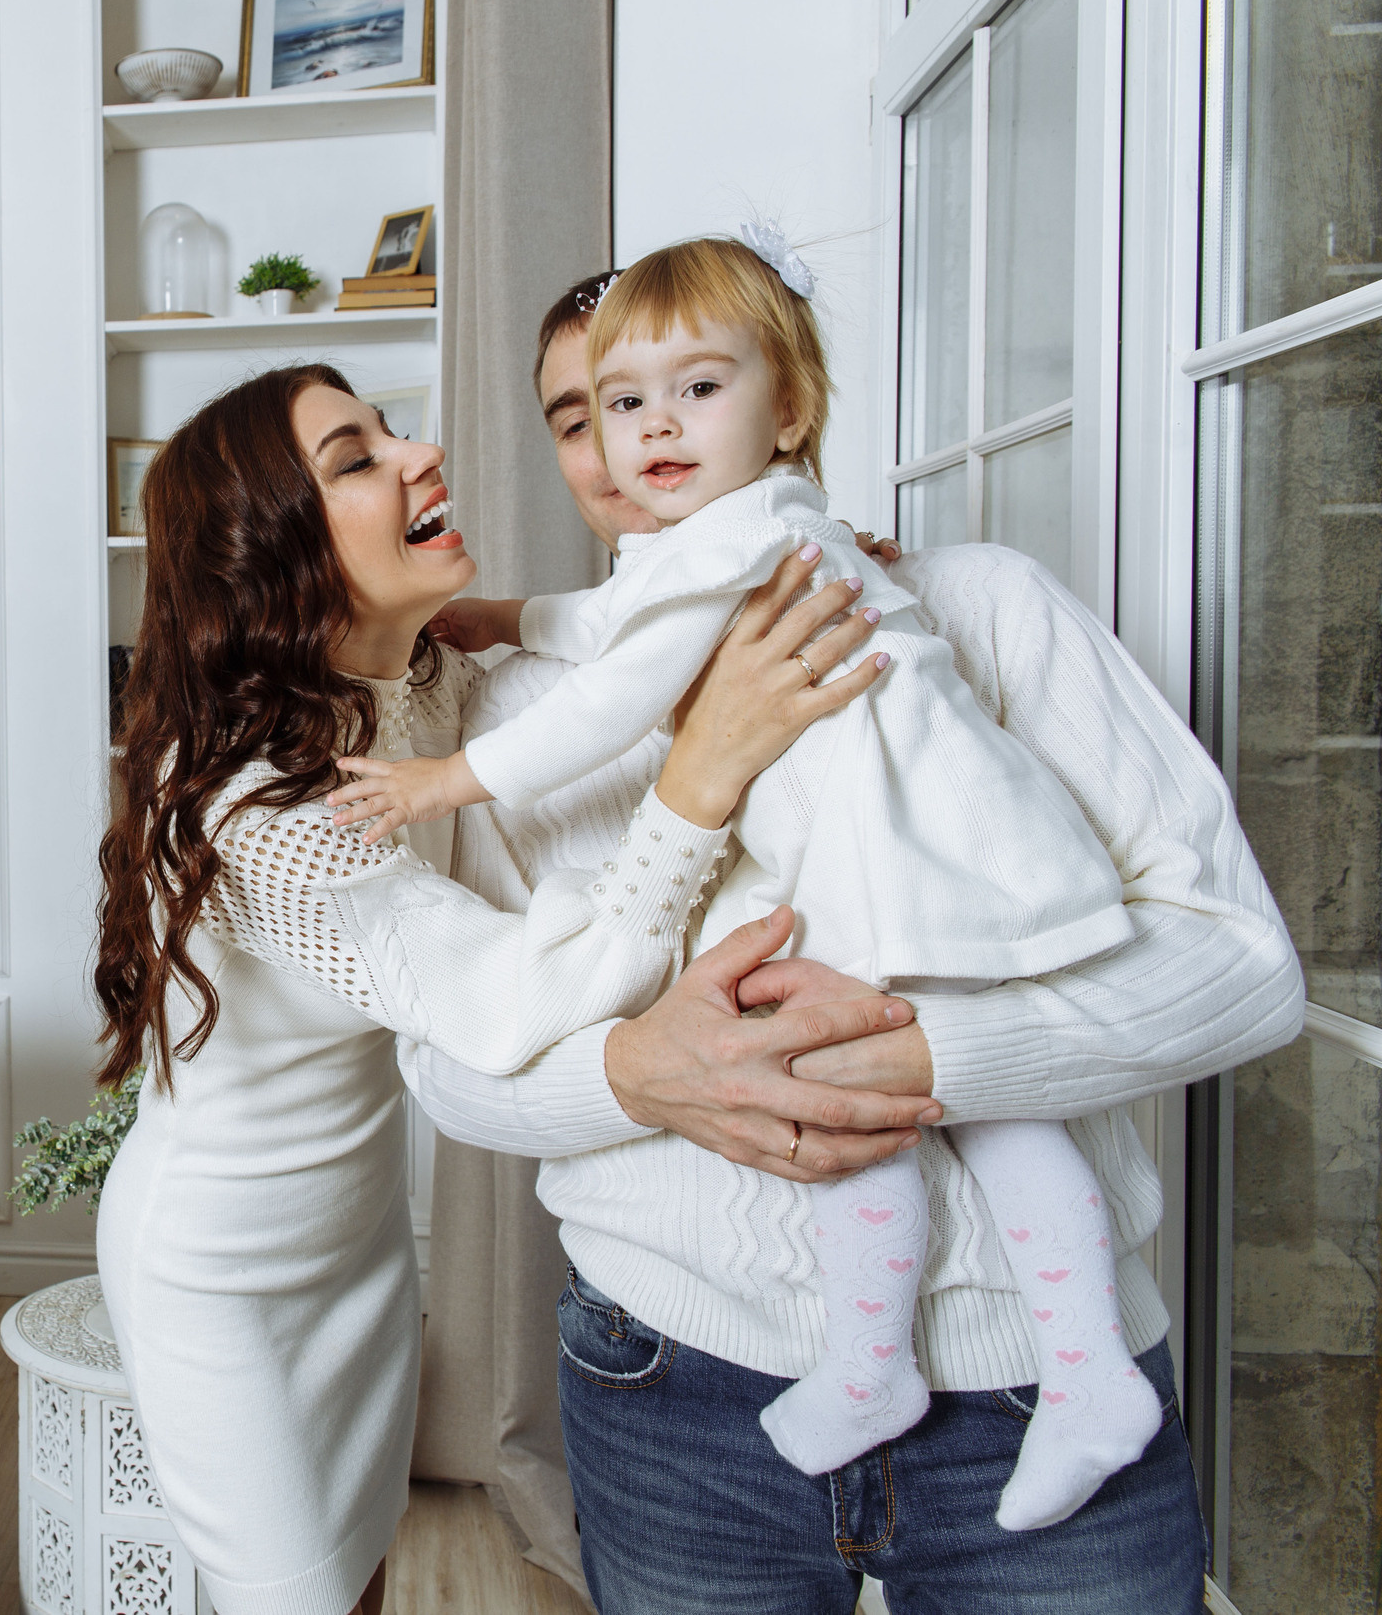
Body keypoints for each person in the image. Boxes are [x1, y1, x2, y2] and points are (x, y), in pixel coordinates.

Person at [390, 267, 1305, 1611]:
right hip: (676, 1388)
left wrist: (925, 1052)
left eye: (691, 389)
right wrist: (643, 1074)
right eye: (584, 413)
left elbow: (1247, 971)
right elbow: (452, 1067)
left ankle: (1078, 1375)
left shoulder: (975, 605)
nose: (637, 439)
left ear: (781, 403)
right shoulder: (512, 704)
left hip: (1026, 1374)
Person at [89, 363, 927, 1615]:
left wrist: (786, 561)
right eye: (356, 459)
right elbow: (510, 1000)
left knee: (357, 1572)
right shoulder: (263, 809)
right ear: (273, 545)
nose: (420, 453)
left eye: (387, 430)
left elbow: (620, 665)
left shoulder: (422, 685)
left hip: (358, 1241)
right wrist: (703, 771)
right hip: (219, 1270)